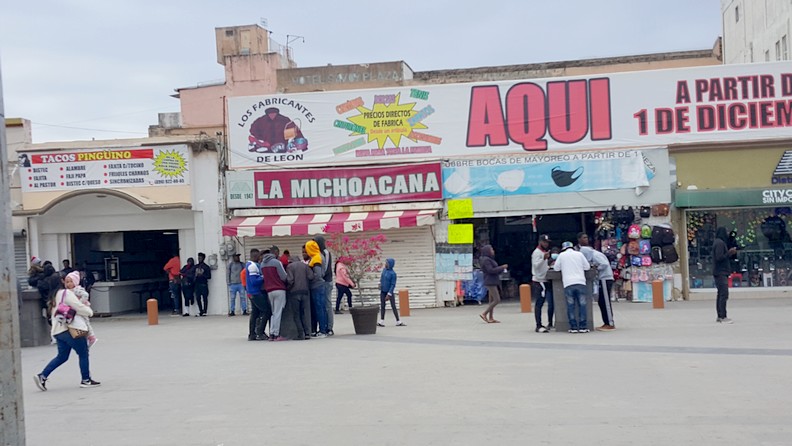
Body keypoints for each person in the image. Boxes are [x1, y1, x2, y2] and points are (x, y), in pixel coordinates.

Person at [34, 271, 101, 390]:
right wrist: (89, 312)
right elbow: (78, 307)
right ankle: (86, 380)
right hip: (71, 329)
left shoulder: (53, 295)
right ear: (61, 281)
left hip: (58, 331)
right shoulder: (66, 293)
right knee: (83, 353)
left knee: (62, 356)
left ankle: (43, 375)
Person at [553, 241, 591, 333]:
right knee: (582, 305)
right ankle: (583, 327)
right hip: (581, 282)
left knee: (570, 305)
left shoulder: (561, 256)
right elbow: (587, 267)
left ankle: (573, 327)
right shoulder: (579, 254)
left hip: (568, 283)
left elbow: (556, 268)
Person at [261, 246, 288, 341]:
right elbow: (284, 276)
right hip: (279, 289)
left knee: (273, 312)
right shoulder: (277, 262)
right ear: (275, 252)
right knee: (278, 312)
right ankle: (276, 334)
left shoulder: (262, 264)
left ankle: (272, 333)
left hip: (269, 291)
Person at [67, 271, 98, 347]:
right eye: (67, 282)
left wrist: (79, 303)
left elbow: (85, 295)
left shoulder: (77, 289)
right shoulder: (68, 291)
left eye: (71, 281)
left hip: (81, 309)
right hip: (75, 309)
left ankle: (91, 336)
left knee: (86, 321)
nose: (69, 284)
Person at [245, 249, 271, 340]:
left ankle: (252, 334)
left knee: (255, 313)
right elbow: (254, 281)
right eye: (260, 256)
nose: (261, 258)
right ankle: (260, 332)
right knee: (266, 310)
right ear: (256, 256)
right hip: (255, 292)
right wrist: (263, 277)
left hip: (251, 292)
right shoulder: (252, 266)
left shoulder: (249, 265)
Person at [713, 227, 737, 324]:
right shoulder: (719, 243)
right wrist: (729, 253)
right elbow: (719, 257)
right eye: (726, 231)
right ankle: (723, 316)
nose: (727, 233)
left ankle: (720, 315)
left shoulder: (718, 242)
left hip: (720, 272)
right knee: (724, 294)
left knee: (720, 294)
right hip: (720, 272)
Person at [287, 254, 314, 340]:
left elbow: (290, 280)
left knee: (296, 314)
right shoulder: (305, 266)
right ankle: (307, 333)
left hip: (294, 293)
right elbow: (311, 276)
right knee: (304, 313)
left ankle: (300, 333)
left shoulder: (290, 266)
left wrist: (288, 288)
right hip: (305, 292)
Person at [478, 244, 507, 324]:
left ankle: (491, 317)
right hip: (490, 281)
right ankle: (484, 313)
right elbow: (490, 270)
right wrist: (502, 268)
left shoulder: (488, 259)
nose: (493, 251)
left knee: (491, 301)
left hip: (492, 280)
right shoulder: (486, 260)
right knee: (497, 299)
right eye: (491, 250)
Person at [305, 241, 329, 338]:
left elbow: (318, 274)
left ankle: (322, 330)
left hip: (317, 286)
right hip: (318, 286)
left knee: (319, 308)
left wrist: (310, 277)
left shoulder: (316, 258)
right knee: (320, 308)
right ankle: (322, 329)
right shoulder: (318, 256)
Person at [531, 235, 554, 333]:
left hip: (544, 279)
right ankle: (538, 325)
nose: (546, 244)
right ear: (540, 242)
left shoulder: (543, 252)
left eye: (547, 242)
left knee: (543, 302)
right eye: (544, 242)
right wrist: (543, 259)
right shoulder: (537, 253)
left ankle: (542, 323)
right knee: (539, 303)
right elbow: (536, 266)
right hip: (539, 281)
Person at [314, 235, 335, 336]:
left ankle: (329, 327)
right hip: (322, 282)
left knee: (327, 305)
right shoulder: (318, 253)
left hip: (326, 281)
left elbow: (325, 268)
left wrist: (320, 276)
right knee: (323, 305)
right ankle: (325, 326)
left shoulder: (325, 253)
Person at [378, 258, 405, 327]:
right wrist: (379, 283)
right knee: (382, 305)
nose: (385, 264)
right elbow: (381, 278)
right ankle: (381, 321)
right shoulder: (384, 270)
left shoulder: (393, 274)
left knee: (393, 306)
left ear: (390, 264)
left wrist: (389, 293)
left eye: (387, 263)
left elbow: (393, 284)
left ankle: (398, 321)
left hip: (389, 292)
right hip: (383, 291)